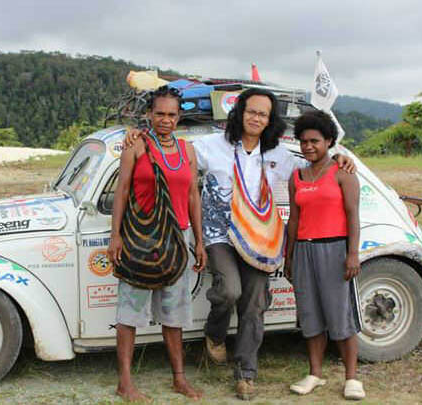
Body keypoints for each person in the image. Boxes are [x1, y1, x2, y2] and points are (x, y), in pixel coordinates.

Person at [125, 87, 355, 400]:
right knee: (230, 289)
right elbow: (171, 149)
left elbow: (313, 169)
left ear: (269, 119)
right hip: (219, 235)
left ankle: (246, 373)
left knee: (255, 301)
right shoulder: (211, 146)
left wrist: (339, 157)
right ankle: (214, 335)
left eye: (263, 113)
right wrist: (138, 134)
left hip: (259, 240)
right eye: (251, 111)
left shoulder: (278, 155)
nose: (256, 118)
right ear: (240, 112)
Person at [107, 85, 207, 402]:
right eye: (160, 113)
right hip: (141, 238)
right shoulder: (135, 145)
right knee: (130, 312)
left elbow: (193, 196)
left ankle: (179, 379)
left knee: (174, 312)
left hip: (178, 238)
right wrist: (116, 236)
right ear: (149, 114)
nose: (165, 119)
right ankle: (125, 383)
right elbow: (122, 191)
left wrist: (199, 241)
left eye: (172, 114)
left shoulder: (187, 150)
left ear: (179, 117)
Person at [285, 110, 364, 400]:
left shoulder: (343, 172)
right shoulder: (297, 176)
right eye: (304, 141)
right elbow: (293, 220)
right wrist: (289, 256)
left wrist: (352, 253)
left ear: (329, 141)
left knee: (340, 314)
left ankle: (352, 378)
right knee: (311, 315)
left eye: (315, 141)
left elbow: (353, 215)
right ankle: (314, 374)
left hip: (335, 250)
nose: (308, 147)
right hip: (304, 250)